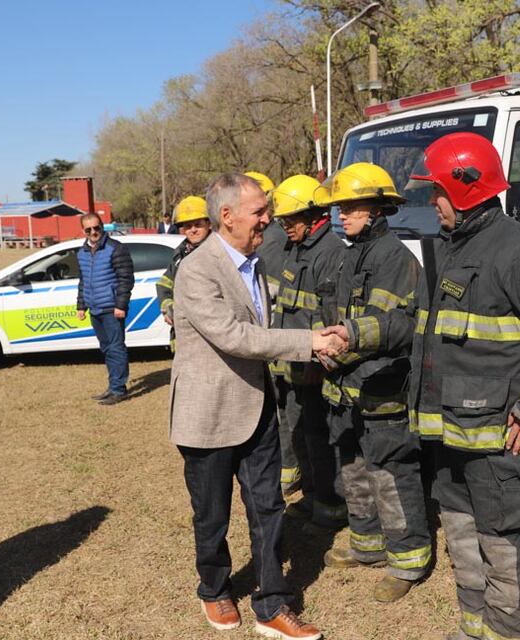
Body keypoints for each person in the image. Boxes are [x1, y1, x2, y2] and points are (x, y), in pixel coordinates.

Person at [349, 132, 520, 639]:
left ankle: (509, 631)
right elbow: (423, 327)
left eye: (437, 191)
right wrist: (356, 334)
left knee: (506, 542)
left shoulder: (519, 251)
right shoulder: (449, 249)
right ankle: (473, 626)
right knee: (463, 536)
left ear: (466, 189)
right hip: (452, 437)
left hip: (500, 444)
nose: (431, 201)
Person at [170, 171, 343, 638]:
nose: (269, 218)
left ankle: (272, 603)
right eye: (260, 211)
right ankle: (214, 588)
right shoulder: (196, 269)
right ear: (227, 216)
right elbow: (235, 336)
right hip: (208, 413)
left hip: (258, 407)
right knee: (212, 514)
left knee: (268, 507)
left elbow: (265, 324)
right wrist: (309, 342)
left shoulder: (257, 262)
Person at [319, 162, 431, 603]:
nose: (341, 215)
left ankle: (408, 560)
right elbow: (334, 311)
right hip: (346, 385)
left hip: (382, 386)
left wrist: (340, 345)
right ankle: (367, 544)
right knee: (354, 467)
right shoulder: (351, 254)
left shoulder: (394, 258)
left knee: (391, 473)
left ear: (378, 210)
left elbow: (394, 325)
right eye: (340, 208)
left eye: (351, 207)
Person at [269, 175, 346, 528]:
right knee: (303, 434)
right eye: (282, 220)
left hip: (315, 367)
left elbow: (328, 315)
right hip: (293, 365)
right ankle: (313, 495)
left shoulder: (330, 253)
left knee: (322, 437)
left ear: (314, 215)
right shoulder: (296, 250)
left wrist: (319, 361)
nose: (285, 226)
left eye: (291, 219)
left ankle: (331, 505)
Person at [246, 170, 303, 496]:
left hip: (279, 343)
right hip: (273, 342)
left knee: (285, 411)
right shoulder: (270, 239)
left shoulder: (274, 241)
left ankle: (289, 470)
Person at [76, 212, 134, 405]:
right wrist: (81, 305)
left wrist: (120, 305)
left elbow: (126, 279)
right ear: (83, 231)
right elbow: (83, 281)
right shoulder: (82, 252)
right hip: (94, 308)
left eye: (96, 227)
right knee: (107, 348)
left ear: (102, 226)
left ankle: (119, 390)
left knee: (116, 348)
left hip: (112, 309)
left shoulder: (115, 248)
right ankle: (112, 386)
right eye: (88, 230)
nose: (93, 232)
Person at [156, 195, 212, 352]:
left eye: (198, 225)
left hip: (209, 333)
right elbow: (163, 284)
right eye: (188, 226)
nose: (193, 230)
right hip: (184, 334)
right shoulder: (180, 253)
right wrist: (169, 308)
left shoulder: (218, 252)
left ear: (209, 223)